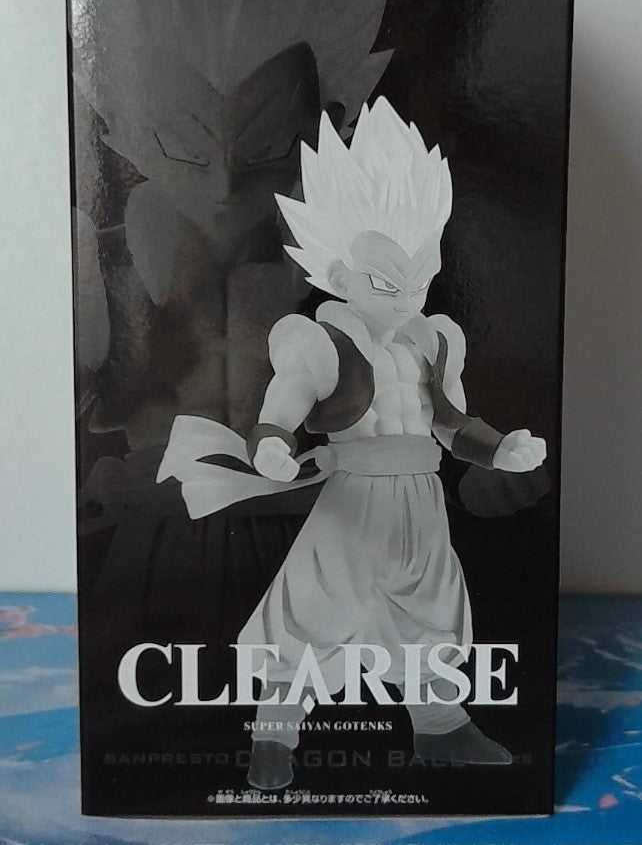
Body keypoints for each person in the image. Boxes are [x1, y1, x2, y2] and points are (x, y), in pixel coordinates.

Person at [158, 96, 546, 789]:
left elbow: (452, 422)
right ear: (339, 277)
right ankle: (273, 736)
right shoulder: (318, 340)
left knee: (432, 612)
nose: (407, 296)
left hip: (422, 498)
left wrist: (499, 449)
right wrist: (271, 447)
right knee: (313, 612)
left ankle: (442, 727)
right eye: (386, 282)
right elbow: (280, 413)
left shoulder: (434, 336)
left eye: (421, 278)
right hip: (354, 500)